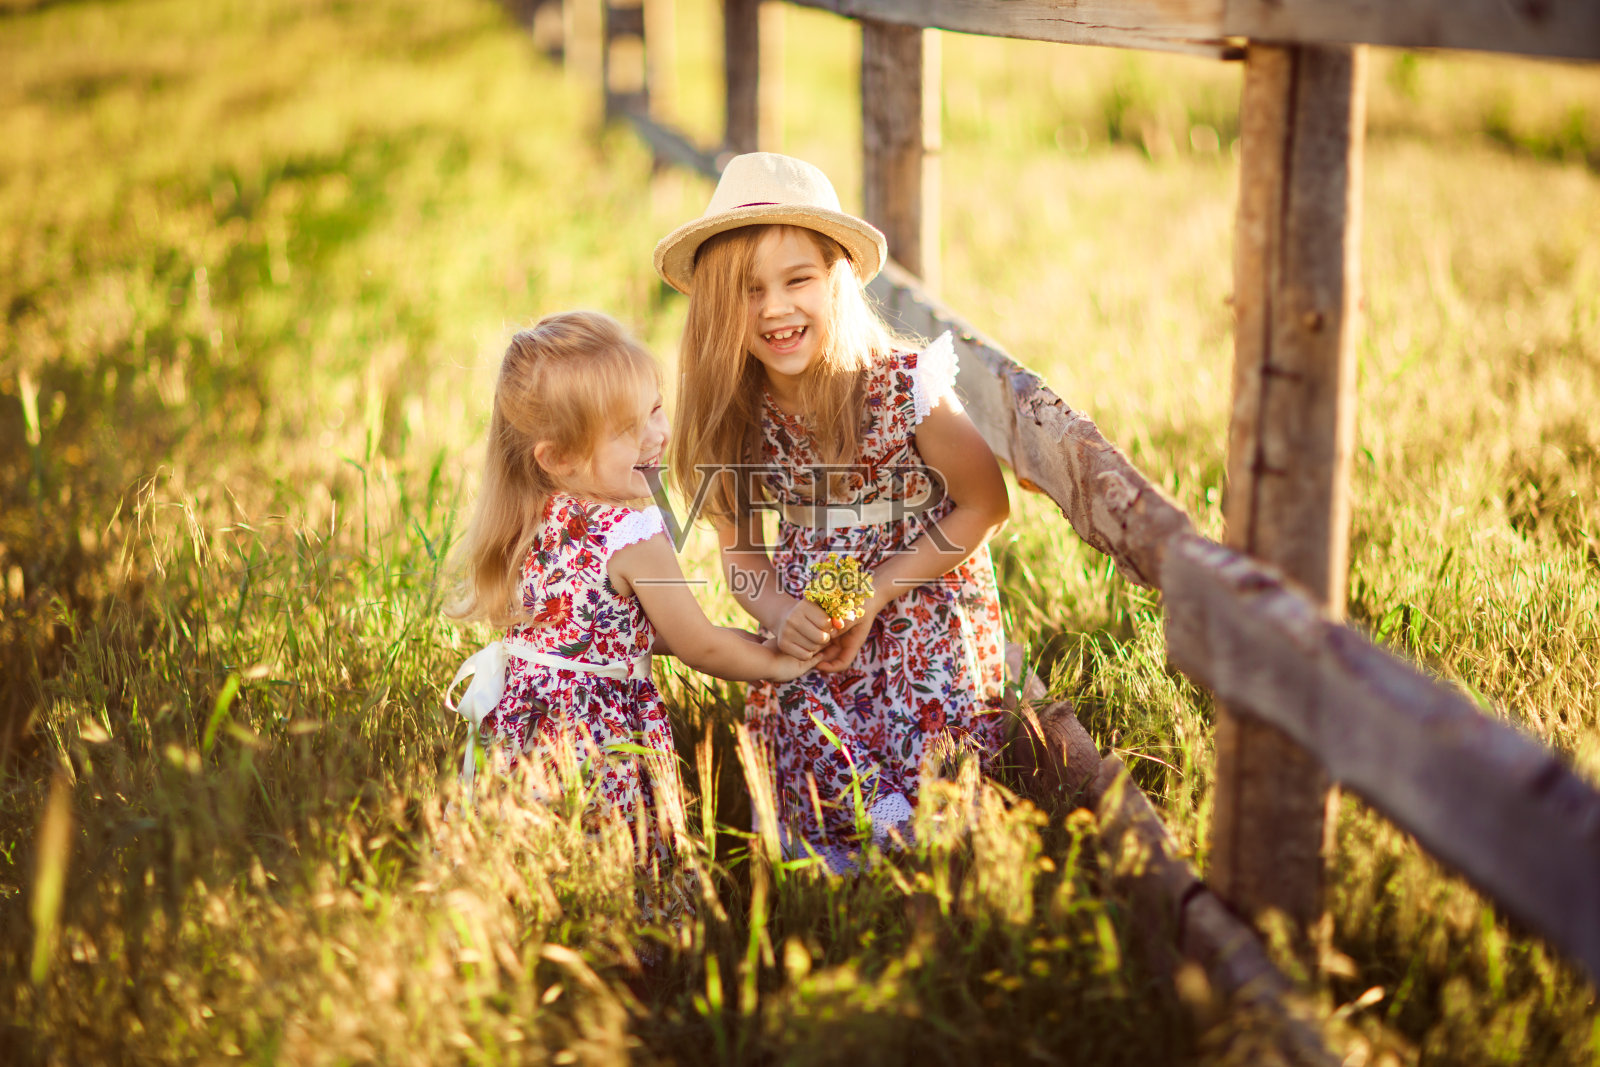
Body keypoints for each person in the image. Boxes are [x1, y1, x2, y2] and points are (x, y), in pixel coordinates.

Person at [656, 153, 1011, 871]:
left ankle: (918, 828)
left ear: (838, 278)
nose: (776, 309)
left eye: (798, 280)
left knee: (924, 727)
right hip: (813, 613)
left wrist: (874, 593)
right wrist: (782, 613)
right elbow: (742, 556)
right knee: (795, 698)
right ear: (720, 303)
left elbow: (985, 502)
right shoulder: (738, 411)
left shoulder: (903, 387)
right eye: (749, 290)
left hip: (919, 603)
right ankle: (880, 828)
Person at [443, 310, 817, 871]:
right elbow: (700, 646)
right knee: (617, 858)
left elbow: (592, 629)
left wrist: (731, 637)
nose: (657, 436)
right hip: (601, 737)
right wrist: (777, 664)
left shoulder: (532, 514)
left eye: (655, 409)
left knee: (546, 858)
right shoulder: (633, 533)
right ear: (558, 456)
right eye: (626, 430)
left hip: (528, 725)